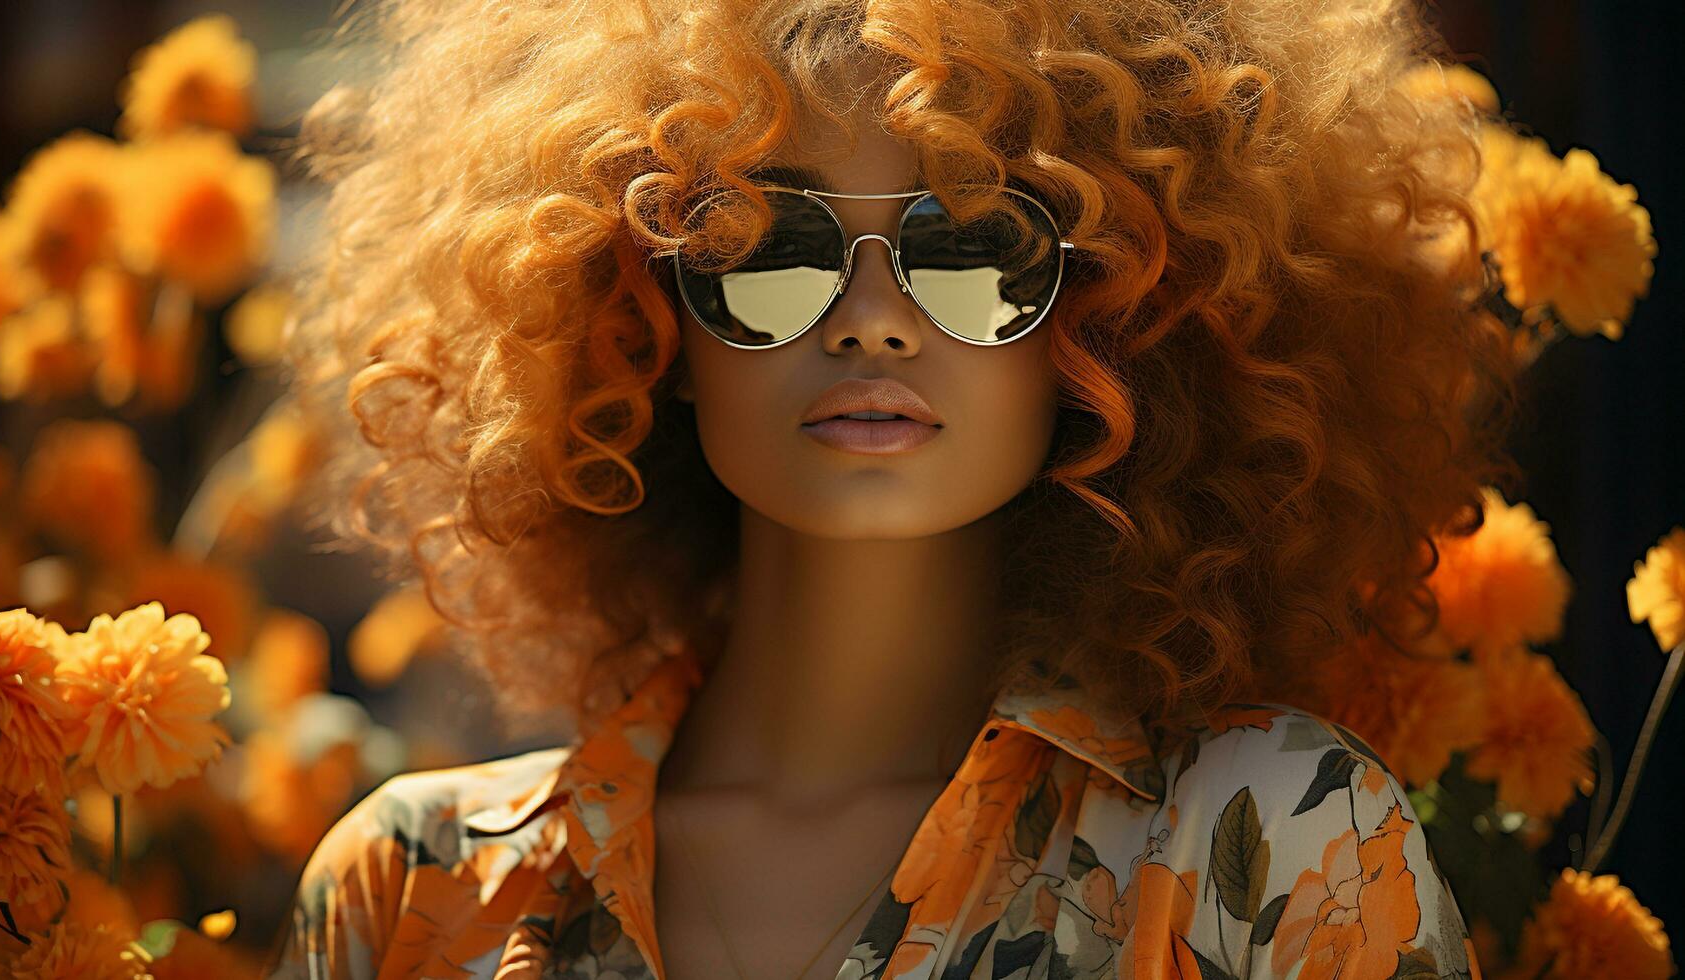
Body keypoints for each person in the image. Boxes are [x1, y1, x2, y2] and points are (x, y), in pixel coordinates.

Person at [264, 0, 1517, 977]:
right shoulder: (416, 891)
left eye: (975, 247)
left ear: (1106, 319)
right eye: (765, 247)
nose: (873, 322)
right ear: (641, 317)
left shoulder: (1262, 845)